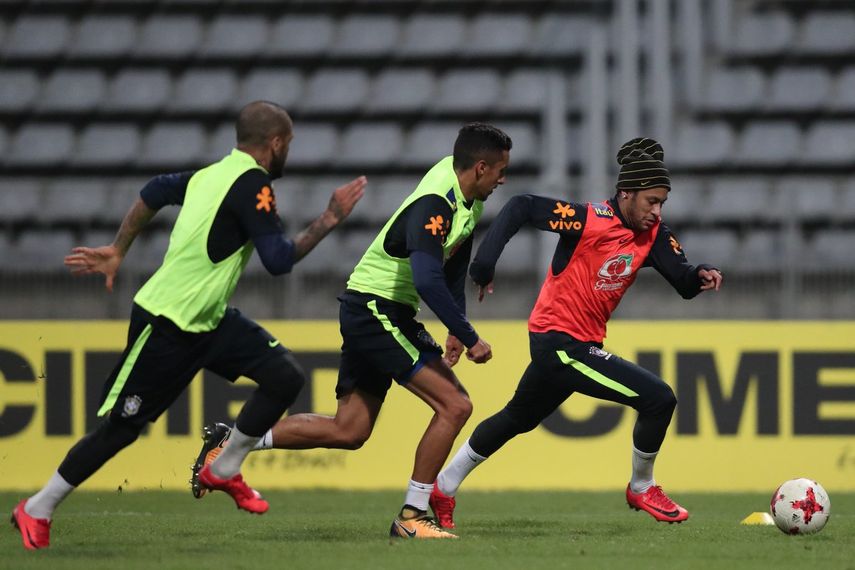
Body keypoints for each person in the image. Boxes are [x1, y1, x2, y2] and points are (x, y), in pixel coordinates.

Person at [10, 101, 366, 550]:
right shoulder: (252, 183)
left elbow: (154, 190)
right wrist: (329, 219)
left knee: (284, 376)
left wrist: (119, 248)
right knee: (121, 429)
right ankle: (37, 507)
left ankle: (224, 468)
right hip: (167, 321)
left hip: (209, 320)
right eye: (288, 144)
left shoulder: (209, 175)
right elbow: (278, 260)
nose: (288, 152)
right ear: (275, 143)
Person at [190, 123, 512, 540]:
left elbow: (454, 258)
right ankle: (412, 515)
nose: (503, 179)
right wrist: (468, 336)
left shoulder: (468, 196)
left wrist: (455, 325)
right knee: (456, 406)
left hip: (372, 307)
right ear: (481, 167)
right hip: (377, 307)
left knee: (350, 430)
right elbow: (427, 278)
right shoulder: (436, 203)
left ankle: (231, 441)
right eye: (500, 170)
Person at [428, 137, 723, 529]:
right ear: (626, 193)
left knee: (517, 418)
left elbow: (682, 280)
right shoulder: (588, 219)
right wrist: (483, 265)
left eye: (662, 203)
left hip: (577, 344)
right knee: (658, 398)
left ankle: (443, 488)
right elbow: (521, 206)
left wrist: (700, 273)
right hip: (559, 341)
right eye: (651, 201)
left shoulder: (653, 234)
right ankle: (642, 486)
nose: (657, 211)